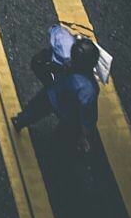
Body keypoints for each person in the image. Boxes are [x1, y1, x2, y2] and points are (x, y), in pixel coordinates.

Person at [11, 23, 100, 156]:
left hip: (52, 93)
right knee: (64, 134)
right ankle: (55, 152)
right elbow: (87, 114)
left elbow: (55, 30)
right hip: (69, 113)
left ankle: (20, 121)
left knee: (35, 108)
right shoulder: (88, 88)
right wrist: (85, 135)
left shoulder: (65, 47)